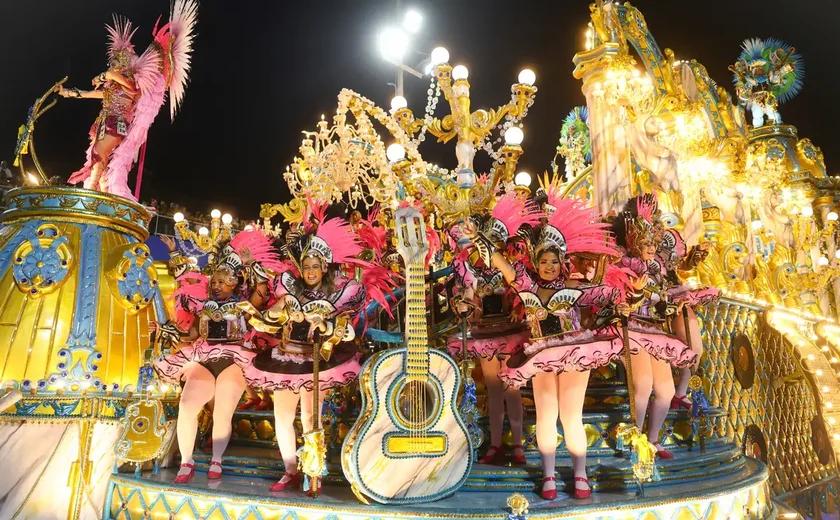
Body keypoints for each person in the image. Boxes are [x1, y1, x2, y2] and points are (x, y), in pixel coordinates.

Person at [465, 189, 624, 501]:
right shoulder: (527, 285)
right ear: (536, 263)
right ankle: (549, 475)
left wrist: (611, 311)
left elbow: (609, 295)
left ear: (562, 262)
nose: (549, 266)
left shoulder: (575, 287)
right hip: (540, 354)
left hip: (575, 352)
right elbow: (504, 266)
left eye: (554, 261)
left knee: (571, 416)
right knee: (547, 415)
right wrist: (479, 241)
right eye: (543, 261)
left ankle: (580, 474)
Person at [243, 215, 372, 492]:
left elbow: (345, 331)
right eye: (306, 266)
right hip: (285, 359)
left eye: (315, 266)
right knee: (282, 417)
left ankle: (314, 472)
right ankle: (289, 470)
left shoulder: (339, 295)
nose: (310, 271)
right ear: (300, 268)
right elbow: (272, 317)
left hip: (316, 362)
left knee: (310, 418)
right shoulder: (289, 289)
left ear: (324, 267)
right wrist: (269, 313)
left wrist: (324, 324)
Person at [154, 229, 282, 484]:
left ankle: (216, 460)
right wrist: (164, 329)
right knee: (188, 406)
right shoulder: (203, 308)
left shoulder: (243, 307)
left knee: (223, 412)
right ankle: (187, 461)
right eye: (214, 282)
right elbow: (189, 334)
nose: (216, 286)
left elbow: (262, 293)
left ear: (234, 283)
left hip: (234, 360)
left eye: (222, 282)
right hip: (204, 356)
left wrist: (250, 264)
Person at [61, 1, 197, 200]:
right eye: (112, 62)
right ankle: (100, 195)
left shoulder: (132, 81)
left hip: (117, 124)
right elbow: (97, 94)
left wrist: (107, 75)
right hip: (103, 123)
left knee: (99, 155)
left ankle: (89, 197)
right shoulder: (114, 85)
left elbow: (132, 89)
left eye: (116, 62)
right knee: (98, 159)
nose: (113, 64)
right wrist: (72, 93)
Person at [447, 192, 540, 466]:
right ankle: (497, 444)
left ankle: (519, 445)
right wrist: (464, 305)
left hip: (511, 332)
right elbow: (466, 293)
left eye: (492, 242)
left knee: (512, 389)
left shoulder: (510, 266)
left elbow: (524, 293)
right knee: (494, 390)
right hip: (484, 334)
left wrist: (518, 309)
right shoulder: (468, 268)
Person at [608, 194, 698, 460]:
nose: (651, 247)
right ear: (634, 240)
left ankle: (653, 438)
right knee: (643, 385)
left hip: (656, 332)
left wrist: (669, 305)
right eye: (646, 242)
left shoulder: (657, 268)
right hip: (632, 329)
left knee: (666, 391)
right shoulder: (622, 266)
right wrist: (635, 296)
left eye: (654, 243)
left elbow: (662, 300)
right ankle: (636, 438)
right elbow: (617, 301)